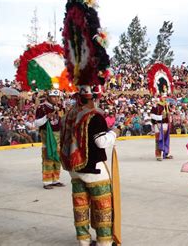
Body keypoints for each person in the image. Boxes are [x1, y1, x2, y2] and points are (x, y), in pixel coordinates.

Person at [60, 1, 120, 245]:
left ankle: (83, 240)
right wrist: (114, 132)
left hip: (75, 170)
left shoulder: (71, 112)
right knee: (102, 204)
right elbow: (101, 142)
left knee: (80, 203)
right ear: (95, 94)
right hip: (93, 169)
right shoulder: (93, 116)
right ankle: (104, 241)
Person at [34, 90, 65, 189]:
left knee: (57, 157)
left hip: (58, 136)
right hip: (47, 136)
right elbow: (37, 123)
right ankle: (47, 182)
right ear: (48, 97)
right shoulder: (41, 107)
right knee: (48, 158)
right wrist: (47, 117)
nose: (56, 99)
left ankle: (56, 179)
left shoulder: (59, 107)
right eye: (53, 97)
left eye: (57, 97)